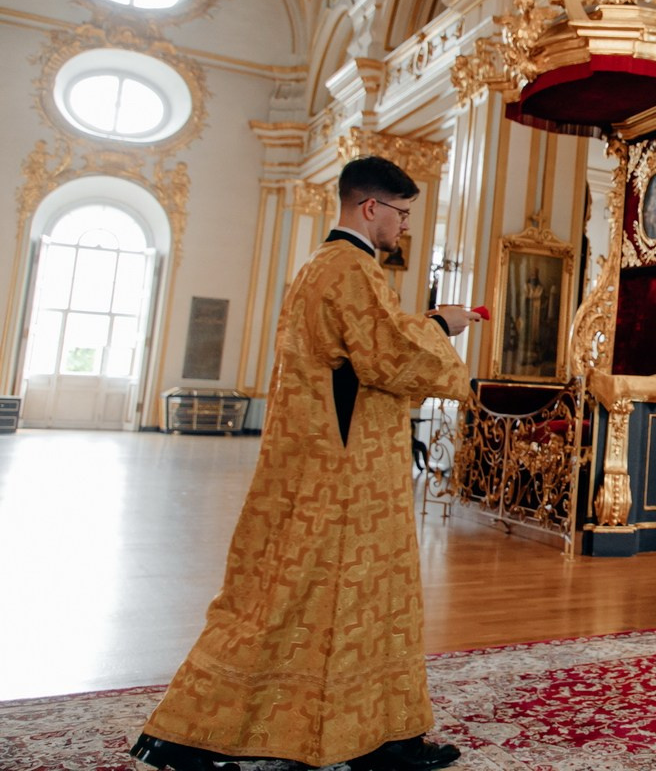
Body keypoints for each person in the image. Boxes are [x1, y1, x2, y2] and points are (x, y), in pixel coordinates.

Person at [132, 156, 480, 771]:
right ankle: (191, 734)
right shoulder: (349, 269)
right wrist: (441, 324)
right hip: (346, 474)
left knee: (332, 598)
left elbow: (362, 352)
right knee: (301, 600)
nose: (402, 227)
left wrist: (417, 325)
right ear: (369, 207)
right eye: (400, 214)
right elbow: (389, 356)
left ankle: (380, 735)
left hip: (331, 462)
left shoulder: (322, 266)